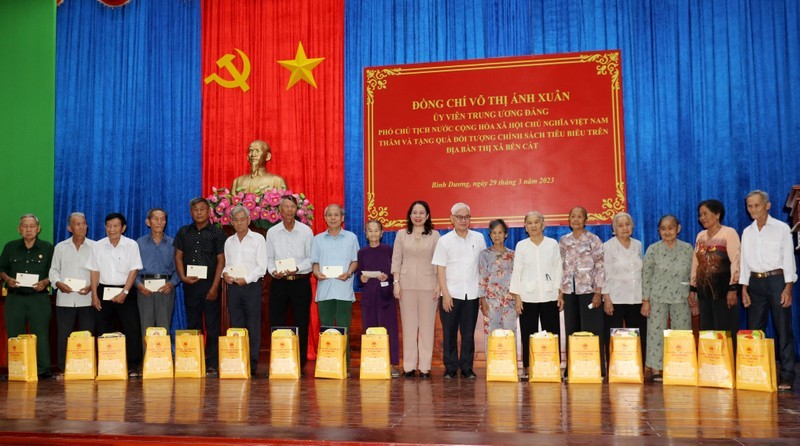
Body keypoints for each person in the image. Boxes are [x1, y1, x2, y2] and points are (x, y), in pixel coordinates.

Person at [739, 190, 797, 391]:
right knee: (754, 330)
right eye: (749, 206)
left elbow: (789, 259)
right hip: (755, 283)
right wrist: (744, 288)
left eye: (756, 205)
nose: (753, 209)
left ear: (767, 205)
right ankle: (755, 371)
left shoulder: (781, 229)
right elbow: (744, 262)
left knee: (783, 329)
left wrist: (788, 287)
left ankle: (787, 375)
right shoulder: (747, 232)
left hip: (777, 281)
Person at [432, 202, 486, 379]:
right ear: (452, 219)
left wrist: (483, 294)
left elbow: (483, 266)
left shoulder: (478, 238)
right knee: (449, 333)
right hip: (450, 294)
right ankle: (450, 367)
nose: (463, 220)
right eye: (460, 217)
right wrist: (445, 294)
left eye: (467, 217)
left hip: (471, 294)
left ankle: (467, 367)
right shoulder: (444, 240)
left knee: (468, 333)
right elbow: (440, 268)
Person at [174, 197, 226, 376]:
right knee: (193, 325)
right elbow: (178, 256)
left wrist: (214, 287)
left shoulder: (217, 232)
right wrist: (182, 277)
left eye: (202, 209)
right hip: (190, 284)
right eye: (195, 209)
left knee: (212, 325)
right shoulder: (183, 232)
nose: (199, 212)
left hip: (210, 284)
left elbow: (221, 261)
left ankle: (212, 363)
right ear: (191, 212)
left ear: (209, 211)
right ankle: (193, 360)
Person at [87, 213, 143, 378]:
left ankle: (133, 366)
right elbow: (94, 271)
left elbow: (134, 270)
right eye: (109, 226)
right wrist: (94, 295)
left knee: (132, 328)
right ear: (105, 227)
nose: (112, 229)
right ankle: (107, 363)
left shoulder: (131, 245)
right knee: (104, 329)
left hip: (126, 290)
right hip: (104, 290)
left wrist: (125, 292)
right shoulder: (97, 246)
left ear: (123, 228)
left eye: (116, 226)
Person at [509, 212, 562, 380]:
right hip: (527, 296)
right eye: (529, 223)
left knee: (552, 333)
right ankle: (528, 366)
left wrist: (560, 293)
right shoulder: (521, 245)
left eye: (536, 222)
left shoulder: (552, 244)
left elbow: (558, 269)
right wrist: (517, 296)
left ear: (543, 224)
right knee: (528, 333)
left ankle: (552, 365)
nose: (533, 226)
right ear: (525, 226)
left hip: (550, 295)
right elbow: (517, 271)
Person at [0, 214, 54, 378]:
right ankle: (17, 369)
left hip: (39, 298)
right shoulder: (10, 247)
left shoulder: (47, 247)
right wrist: (7, 279)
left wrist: (45, 282)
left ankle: (43, 371)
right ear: (19, 229)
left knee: (41, 334)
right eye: (25, 226)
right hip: (15, 298)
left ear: (38, 229)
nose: (28, 229)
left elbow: (55, 272)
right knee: (14, 335)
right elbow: (1, 269)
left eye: (32, 226)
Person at [391, 200, 440, 379]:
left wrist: (439, 285)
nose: (418, 216)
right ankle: (409, 366)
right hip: (406, 286)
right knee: (409, 327)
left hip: (429, 285)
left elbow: (439, 262)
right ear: (410, 215)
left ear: (427, 216)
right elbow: (396, 260)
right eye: (414, 212)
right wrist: (396, 282)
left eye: (421, 212)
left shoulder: (435, 235)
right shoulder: (401, 234)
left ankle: (425, 367)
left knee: (427, 328)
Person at [641, 214, 693, 382]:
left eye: (671, 228)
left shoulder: (687, 248)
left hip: (682, 296)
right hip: (657, 297)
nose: (667, 231)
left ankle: (681, 364)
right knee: (655, 332)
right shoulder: (653, 249)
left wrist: (695, 296)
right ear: (658, 231)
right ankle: (656, 367)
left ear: (678, 228)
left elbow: (694, 274)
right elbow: (646, 276)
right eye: (663, 229)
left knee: (682, 331)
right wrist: (645, 300)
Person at [266, 195, 313, 374]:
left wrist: (296, 268)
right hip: (279, 283)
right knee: (276, 322)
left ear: (296, 209)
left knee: (301, 321)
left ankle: (299, 362)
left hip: (300, 282)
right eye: (285, 207)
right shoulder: (272, 232)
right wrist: (273, 271)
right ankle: (278, 360)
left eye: (291, 207)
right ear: (280, 210)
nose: (288, 210)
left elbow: (311, 259)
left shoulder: (306, 231)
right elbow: (269, 258)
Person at [559, 206, 606, 376]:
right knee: (572, 330)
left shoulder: (594, 240)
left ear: (585, 219)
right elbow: (561, 268)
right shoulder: (564, 241)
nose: (576, 219)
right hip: (570, 292)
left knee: (592, 331)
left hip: (589, 291)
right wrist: (561, 294)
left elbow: (601, 266)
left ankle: (596, 369)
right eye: (573, 216)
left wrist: (598, 292)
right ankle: (572, 369)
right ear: (569, 219)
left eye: (579, 217)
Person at [311, 204, 359, 369]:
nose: (333, 218)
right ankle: (328, 364)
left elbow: (355, 261)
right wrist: (316, 273)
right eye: (329, 215)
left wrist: (349, 273)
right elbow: (315, 263)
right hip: (324, 290)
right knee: (326, 327)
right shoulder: (317, 239)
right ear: (325, 218)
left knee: (344, 327)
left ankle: (344, 365)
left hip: (344, 289)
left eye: (336, 215)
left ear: (342, 218)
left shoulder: (351, 237)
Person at [689, 199, 741, 351]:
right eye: (700, 215)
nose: (702, 218)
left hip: (724, 291)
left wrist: (733, 288)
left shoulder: (729, 233)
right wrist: (693, 289)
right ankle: (711, 366)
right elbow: (695, 264)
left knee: (725, 330)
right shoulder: (700, 236)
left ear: (717, 214)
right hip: (704, 293)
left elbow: (736, 262)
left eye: (705, 214)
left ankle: (729, 366)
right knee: (707, 331)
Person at [49, 212, 95, 378]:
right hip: (65, 299)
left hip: (87, 299)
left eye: (84, 223)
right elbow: (53, 271)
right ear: (69, 227)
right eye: (77, 224)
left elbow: (99, 272)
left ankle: (87, 367)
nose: (82, 227)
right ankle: (63, 369)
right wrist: (58, 283)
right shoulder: (60, 247)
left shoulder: (95, 247)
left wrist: (92, 286)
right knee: (64, 336)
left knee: (87, 335)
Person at [222, 205, 268, 374]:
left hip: (251, 286)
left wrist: (246, 279)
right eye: (236, 220)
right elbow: (227, 265)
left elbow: (261, 266)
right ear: (231, 222)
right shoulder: (229, 241)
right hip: (233, 287)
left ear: (249, 220)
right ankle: (237, 360)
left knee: (253, 325)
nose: (240, 223)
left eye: (243, 219)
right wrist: (225, 274)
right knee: (236, 325)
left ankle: (252, 364)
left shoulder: (258, 239)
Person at [602, 212, 646, 370]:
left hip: (636, 297)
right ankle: (615, 368)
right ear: (614, 229)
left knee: (637, 335)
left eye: (627, 224)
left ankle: (635, 367)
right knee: (613, 336)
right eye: (620, 225)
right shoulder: (608, 246)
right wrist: (606, 298)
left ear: (632, 226)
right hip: (615, 299)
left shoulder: (638, 245)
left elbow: (642, 272)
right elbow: (604, 273)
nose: (624, 228)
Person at [357, 220, 400, 378]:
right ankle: (371, 362)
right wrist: (362, 279)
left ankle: (390, 364)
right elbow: (359, 275)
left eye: (376, 231)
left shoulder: (389, 251)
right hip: (369, 296)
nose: (373, 233)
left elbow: (395, 271)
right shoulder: (362, 253)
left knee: (389, 330)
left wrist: (386, 277)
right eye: (370, 230)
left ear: (382, 233)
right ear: (366, 234)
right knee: (369, 330)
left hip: (386, 296)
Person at [135, 208, 180, 339]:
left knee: (164, 326)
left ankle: (163, 359)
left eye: (163, 219)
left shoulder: (173, 243)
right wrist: (138, 285)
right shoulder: (139, 243)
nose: (160, 222)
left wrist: (172, 284)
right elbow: (132, 269)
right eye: (156, 219)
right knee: (146, 327)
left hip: (166, 288)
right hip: (144, 288)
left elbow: (179, 269)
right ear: (148, 222)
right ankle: (147, 359)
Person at [478, 219, 516, 341]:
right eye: (494, 233)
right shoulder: (485, 254)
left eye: (500, 232)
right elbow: (482, 277)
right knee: (492, 335)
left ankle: (510, 360)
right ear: (490, 235)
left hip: (510, 302)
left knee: (509, 334)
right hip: (491, 302)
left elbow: (517, 278)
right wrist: (482, 300)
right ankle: (492, 360)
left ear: (506, 234)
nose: (497, 236)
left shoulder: (513, 255)